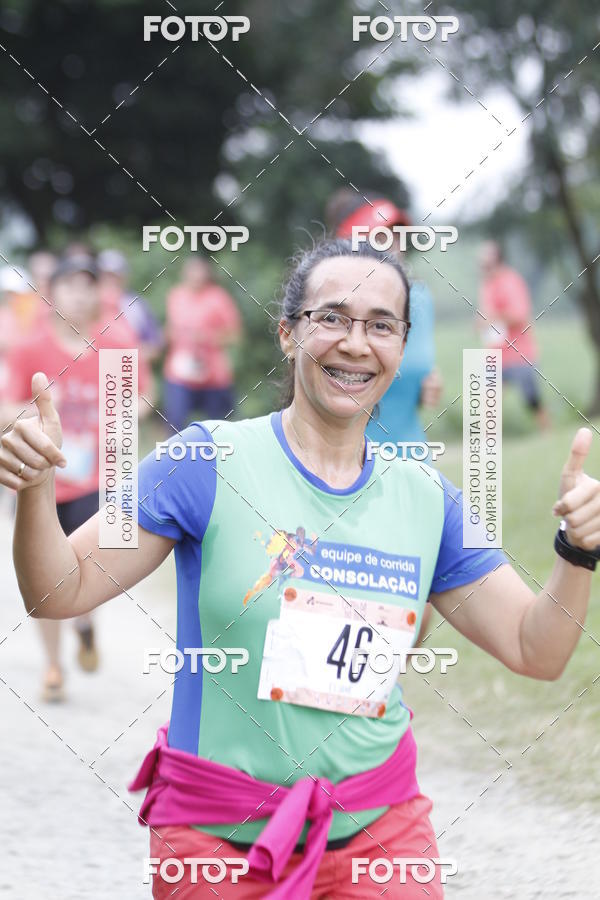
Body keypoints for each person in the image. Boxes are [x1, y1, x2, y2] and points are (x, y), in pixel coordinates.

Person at [5, 240, 600, 899]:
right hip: (216, 838)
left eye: (381, 325)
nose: (356, 342)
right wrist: (34, 488)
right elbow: (60, 591)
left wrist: (577, 550)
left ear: (401, 347)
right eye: (332, 318)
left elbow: (535, 648)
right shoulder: (205, 463)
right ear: (288, 334)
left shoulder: (427, 499)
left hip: (381, 832)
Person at [1, 253, 151, 702]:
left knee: (84, 565)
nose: (80, 294)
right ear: (53, 293)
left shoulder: (116, 342)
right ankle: (52, 666)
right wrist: (42, 409)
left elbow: (143, 397)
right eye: (71, 285)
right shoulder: (32, 347)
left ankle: (84, 622)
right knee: (40, 571)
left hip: (96, 480)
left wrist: (121, 414)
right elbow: (5, 404)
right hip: (40, 476)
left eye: (89, 285)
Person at [327, 188, 443, 458]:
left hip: (413, 457)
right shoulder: (332, 310)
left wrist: (428, 385)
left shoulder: (420, 300)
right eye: (380, 237)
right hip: (350, 463)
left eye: (396, 236)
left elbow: (418, 367)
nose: (394, 247)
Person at [163, 256, 242, 431]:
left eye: (199, 271)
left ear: (207, 274)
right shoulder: (176, 296)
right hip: (180, 372)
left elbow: (235, 335)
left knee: (220, 427)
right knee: (174, 423)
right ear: (184, 273)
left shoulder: (219, 298)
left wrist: (208, 338)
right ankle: (176, 457)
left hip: (213, 375)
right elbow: (169, 329)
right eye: (192, 271)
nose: (195, 276)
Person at [478, 240, 551, 430]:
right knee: (489, 398)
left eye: (487, 261)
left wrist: (494, 317)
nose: (483, 265)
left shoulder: (511, 281)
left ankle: (547, 431)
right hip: (496, 353)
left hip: (519, 353)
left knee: (532, 399)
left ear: (498, 260)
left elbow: (520, 314)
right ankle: (486, 442)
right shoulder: (487, 284)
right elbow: (486, 315)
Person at [97, 249, 164, 363]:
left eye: (115, 275)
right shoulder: (87, 303)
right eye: (106, 275)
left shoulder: (137, 305)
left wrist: (123, 359)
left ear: (124, 276)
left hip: (125, 373)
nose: (110, 280)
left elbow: (154, 346)